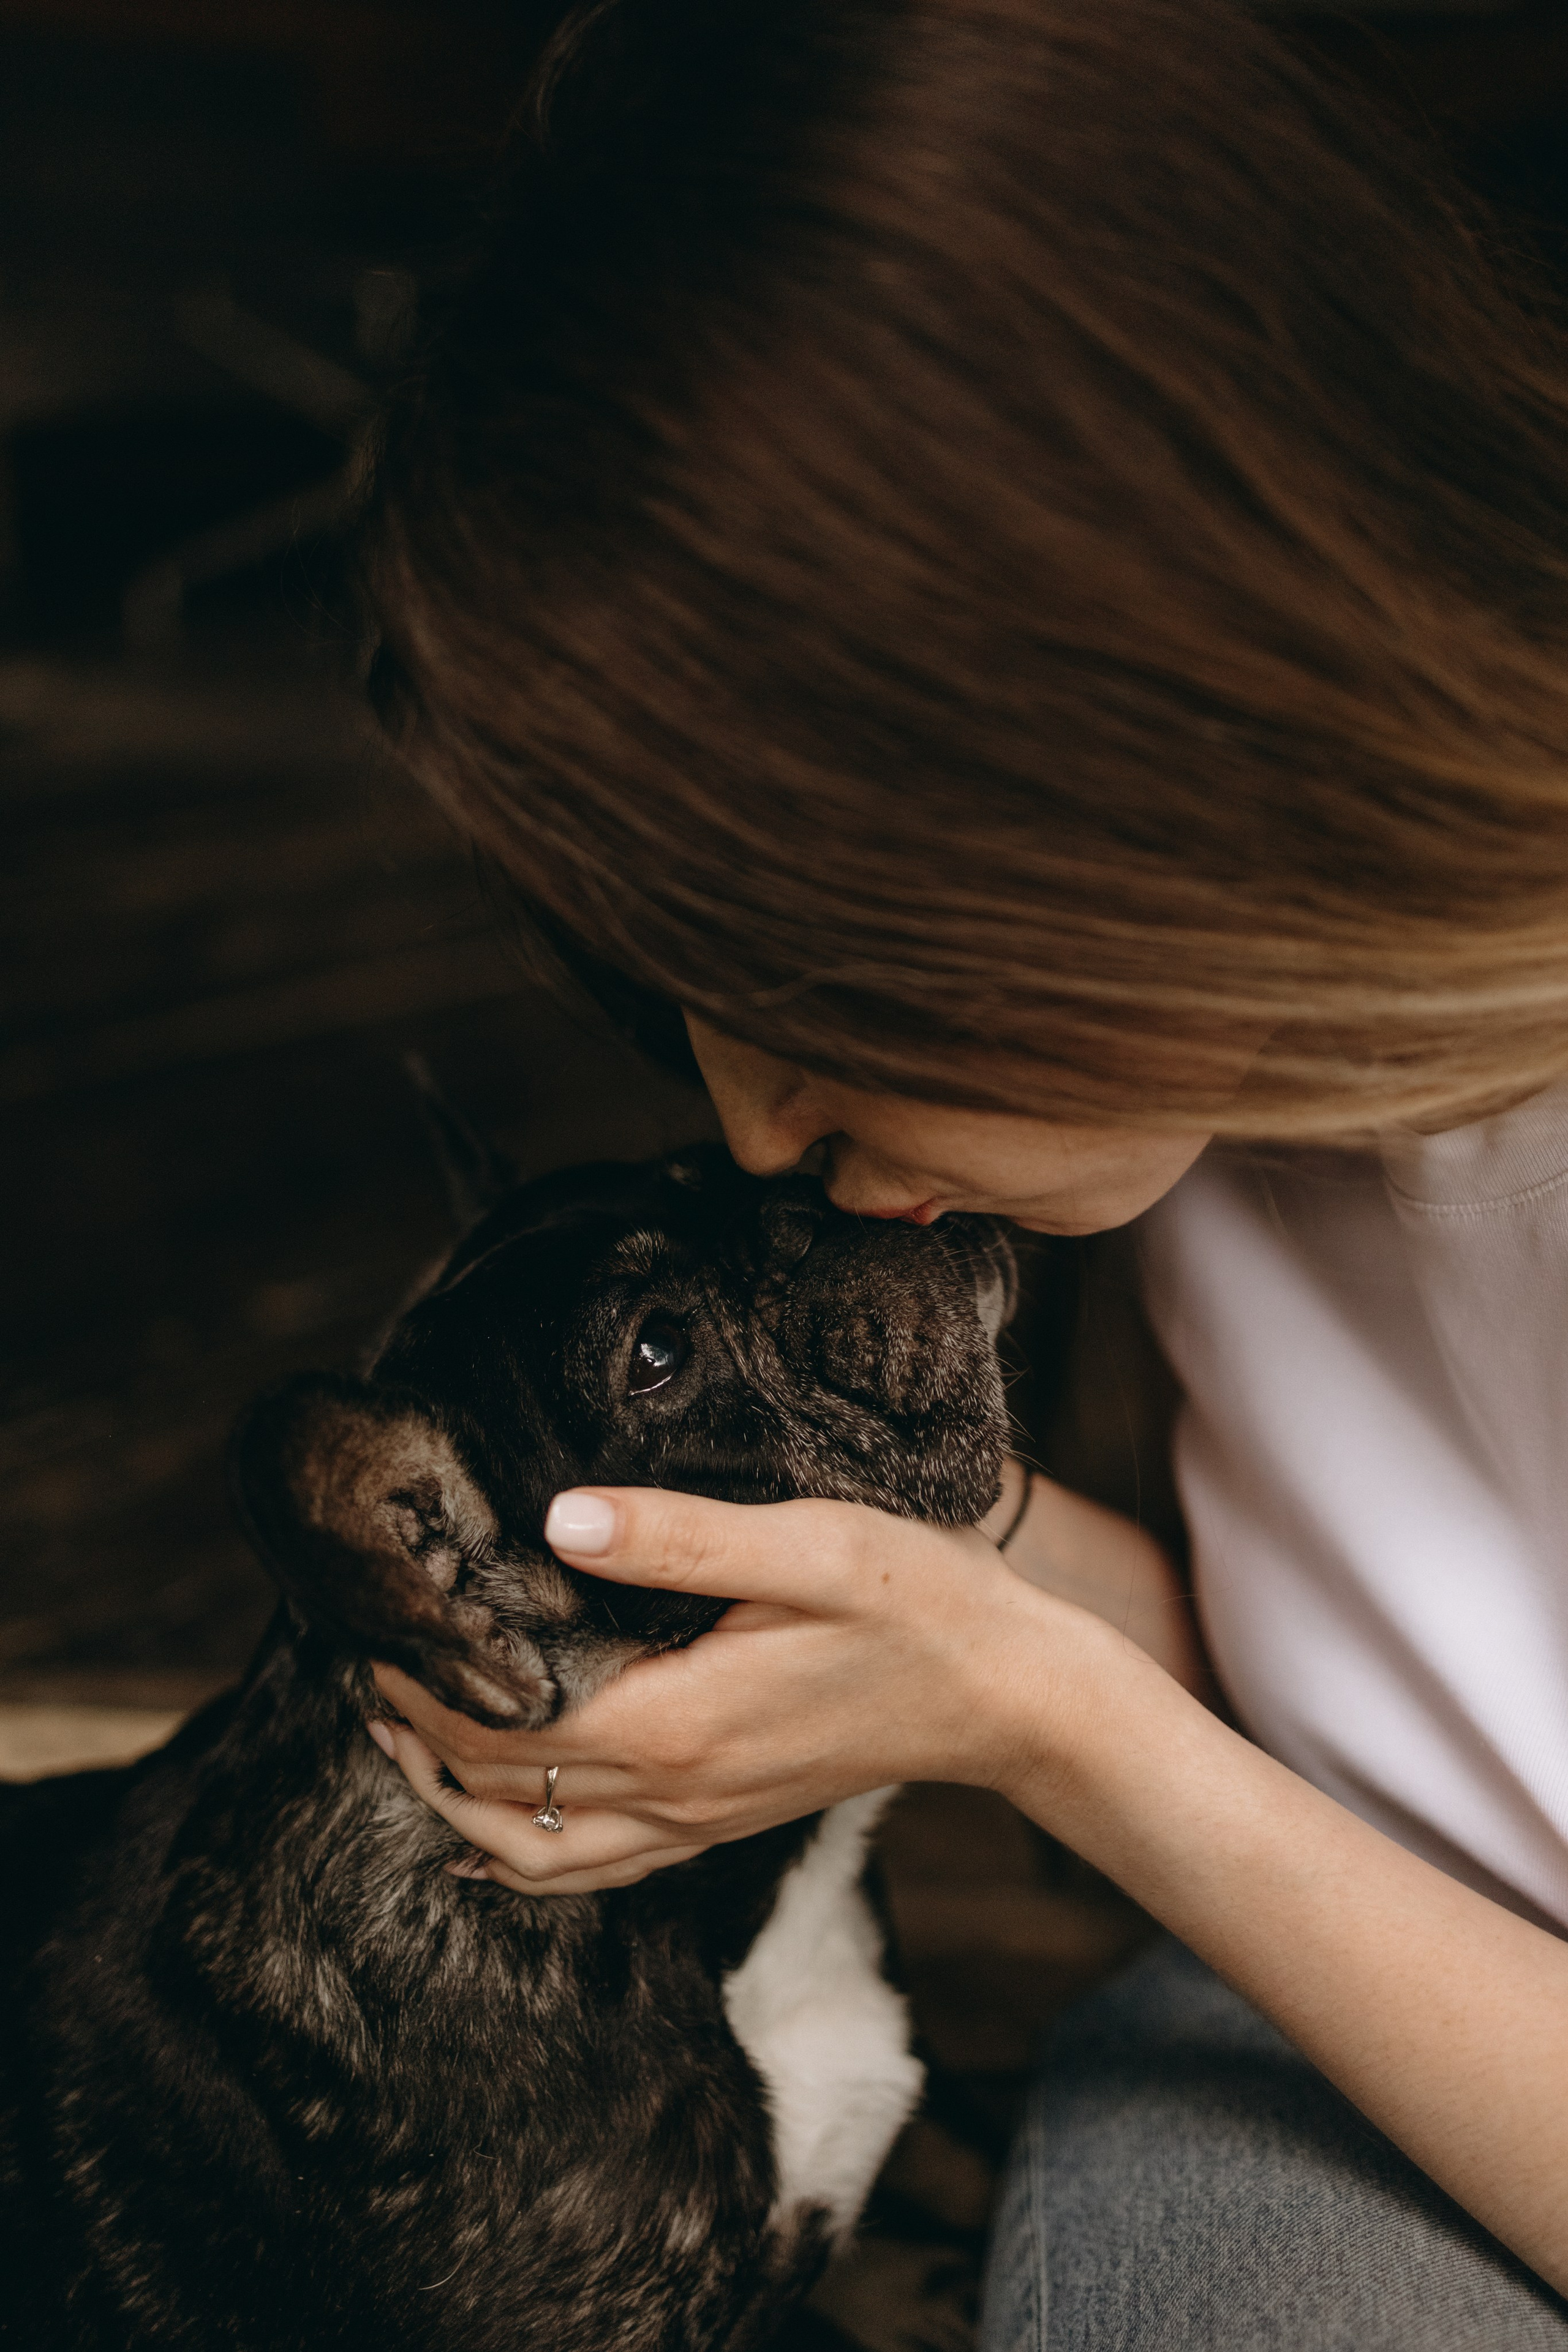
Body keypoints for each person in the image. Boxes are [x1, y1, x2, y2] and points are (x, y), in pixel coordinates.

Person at [355, 1, 1568, 2340]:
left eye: (810, 980)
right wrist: (942, 1574)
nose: (751, 1130)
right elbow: (1405, 1713)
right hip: (1316, 1991)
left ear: (1143, 734)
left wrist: (1051, 1726)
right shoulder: (1236, 1078)